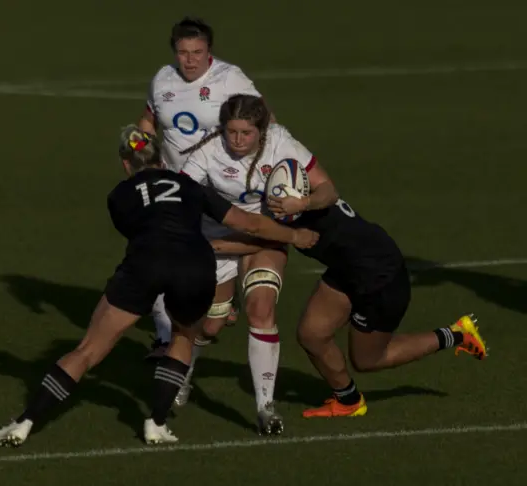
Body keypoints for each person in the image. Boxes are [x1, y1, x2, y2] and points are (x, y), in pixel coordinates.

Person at [0, 126, 317, 447]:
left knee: (88, 350)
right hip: (196, 265)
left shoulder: (118, 197)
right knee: (185, 336)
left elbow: (143, 232)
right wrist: (294, 236)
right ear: (161, 160)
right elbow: (248, 223)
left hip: (147, 263)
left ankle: (26, 422)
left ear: (124, 164)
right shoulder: (191, 187)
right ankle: (157, 423)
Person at [253, 176, 488, 417]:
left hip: (380, 279)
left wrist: (302, 204)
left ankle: (456, 334)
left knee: (367, 360)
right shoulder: (294, 196)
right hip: (347, 269)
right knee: (312, 335)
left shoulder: (303, 209)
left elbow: (324, 195)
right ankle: (348, 400)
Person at [176, 94, 338, 435]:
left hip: (265, 240)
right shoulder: (206, 151)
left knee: (261, 309)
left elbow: (329, 190)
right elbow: (180, 197)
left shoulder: (282, 142)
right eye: (231, 132)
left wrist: (304, 201)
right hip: (217, 241)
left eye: (246, 133)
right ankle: (183, 375)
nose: (237, 141)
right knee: (209, 326)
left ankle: (266, 407)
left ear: (261, 130)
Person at [138, 17, 272, 358]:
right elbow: (148, 122)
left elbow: (263, 118)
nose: (190, 60)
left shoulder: (230, 78)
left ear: (209, 51)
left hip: (219, 191)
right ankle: (165, 339)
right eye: (183, 52)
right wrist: (141, 159)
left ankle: (221, 304)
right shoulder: (162, 79)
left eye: (197, 52)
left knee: (214, 263)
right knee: (161, 255)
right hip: (175, 189)